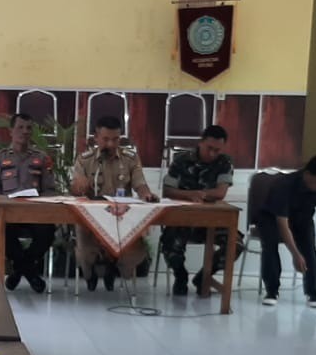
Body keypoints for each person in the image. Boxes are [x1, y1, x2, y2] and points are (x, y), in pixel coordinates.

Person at [69, 115, 157, 290]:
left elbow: (140, 184)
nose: (110, 144)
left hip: (121, 216)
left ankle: (114, 269)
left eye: (115, 139)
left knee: (137, 253)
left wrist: (146, 194)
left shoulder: (130, 158)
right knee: (85, 253)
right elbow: (75, 189)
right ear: (96, 138)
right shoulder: (84, 159)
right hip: (90, 218)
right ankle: (90, 275)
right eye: (106, 139)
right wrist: (79, 187)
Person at [159, 124, 234, 297]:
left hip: (212, 221)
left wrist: (200, 194)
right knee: (170, 243)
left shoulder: (225, 162)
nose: (212, 154)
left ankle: (204, 278)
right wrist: (190, 195)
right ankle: (181, 276)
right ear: (200, 143)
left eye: (217, 150)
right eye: (209, 148)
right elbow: (167, 191)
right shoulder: (181, 160)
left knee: (235, 245)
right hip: (183, 219)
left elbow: (220, 192)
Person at [0, 111, 57, 292]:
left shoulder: (41, 158)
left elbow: (50, 190)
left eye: (28, 128)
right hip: (9, 214)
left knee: (48, 231)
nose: (24, 132)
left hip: (35, 214)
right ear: (11, 131)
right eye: (20, 128)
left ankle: (19, 270)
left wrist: (40, 201)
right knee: (4, 233)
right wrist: (4, 202)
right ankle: (30, 273)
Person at [258, 155, 316, 308]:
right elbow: (282, 223)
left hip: (302, 219)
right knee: (270, 244)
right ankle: (272, 291)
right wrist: (295, 254)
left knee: (309, 249)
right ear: (307, 174)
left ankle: (313, 293)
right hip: (272, 218)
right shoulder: (285, 185)